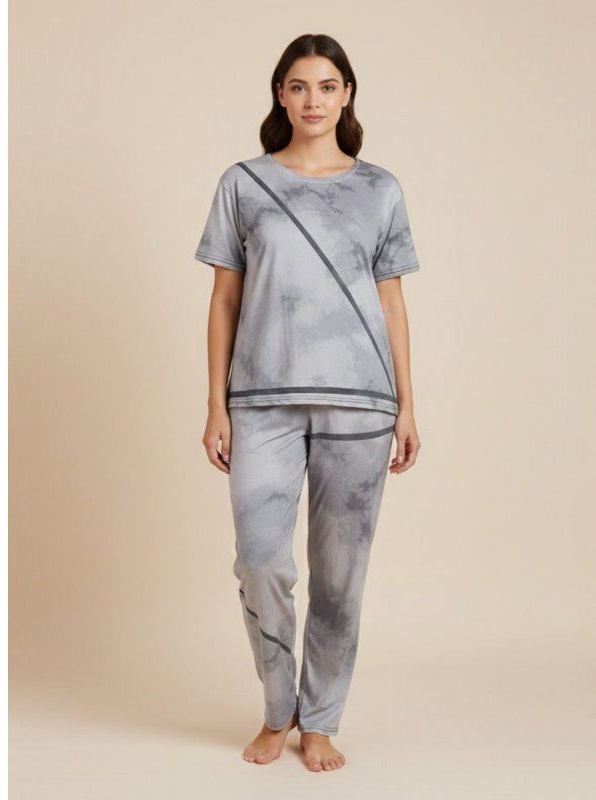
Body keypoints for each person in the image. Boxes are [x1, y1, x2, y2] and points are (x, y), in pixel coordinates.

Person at [195, 33, 422, 772]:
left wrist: (407, 406)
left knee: (341, 574)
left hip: (361, 403)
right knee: (261, 560)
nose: (313, 100)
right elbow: (223, 301)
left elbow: (392, 304)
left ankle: (319, 719)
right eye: (298, 86)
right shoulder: (244, 184)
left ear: (347, 94)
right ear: (280, 95)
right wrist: (216, 405)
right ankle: (278, 708)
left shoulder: (380, 190)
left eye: (327, 86)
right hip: (261, 400)